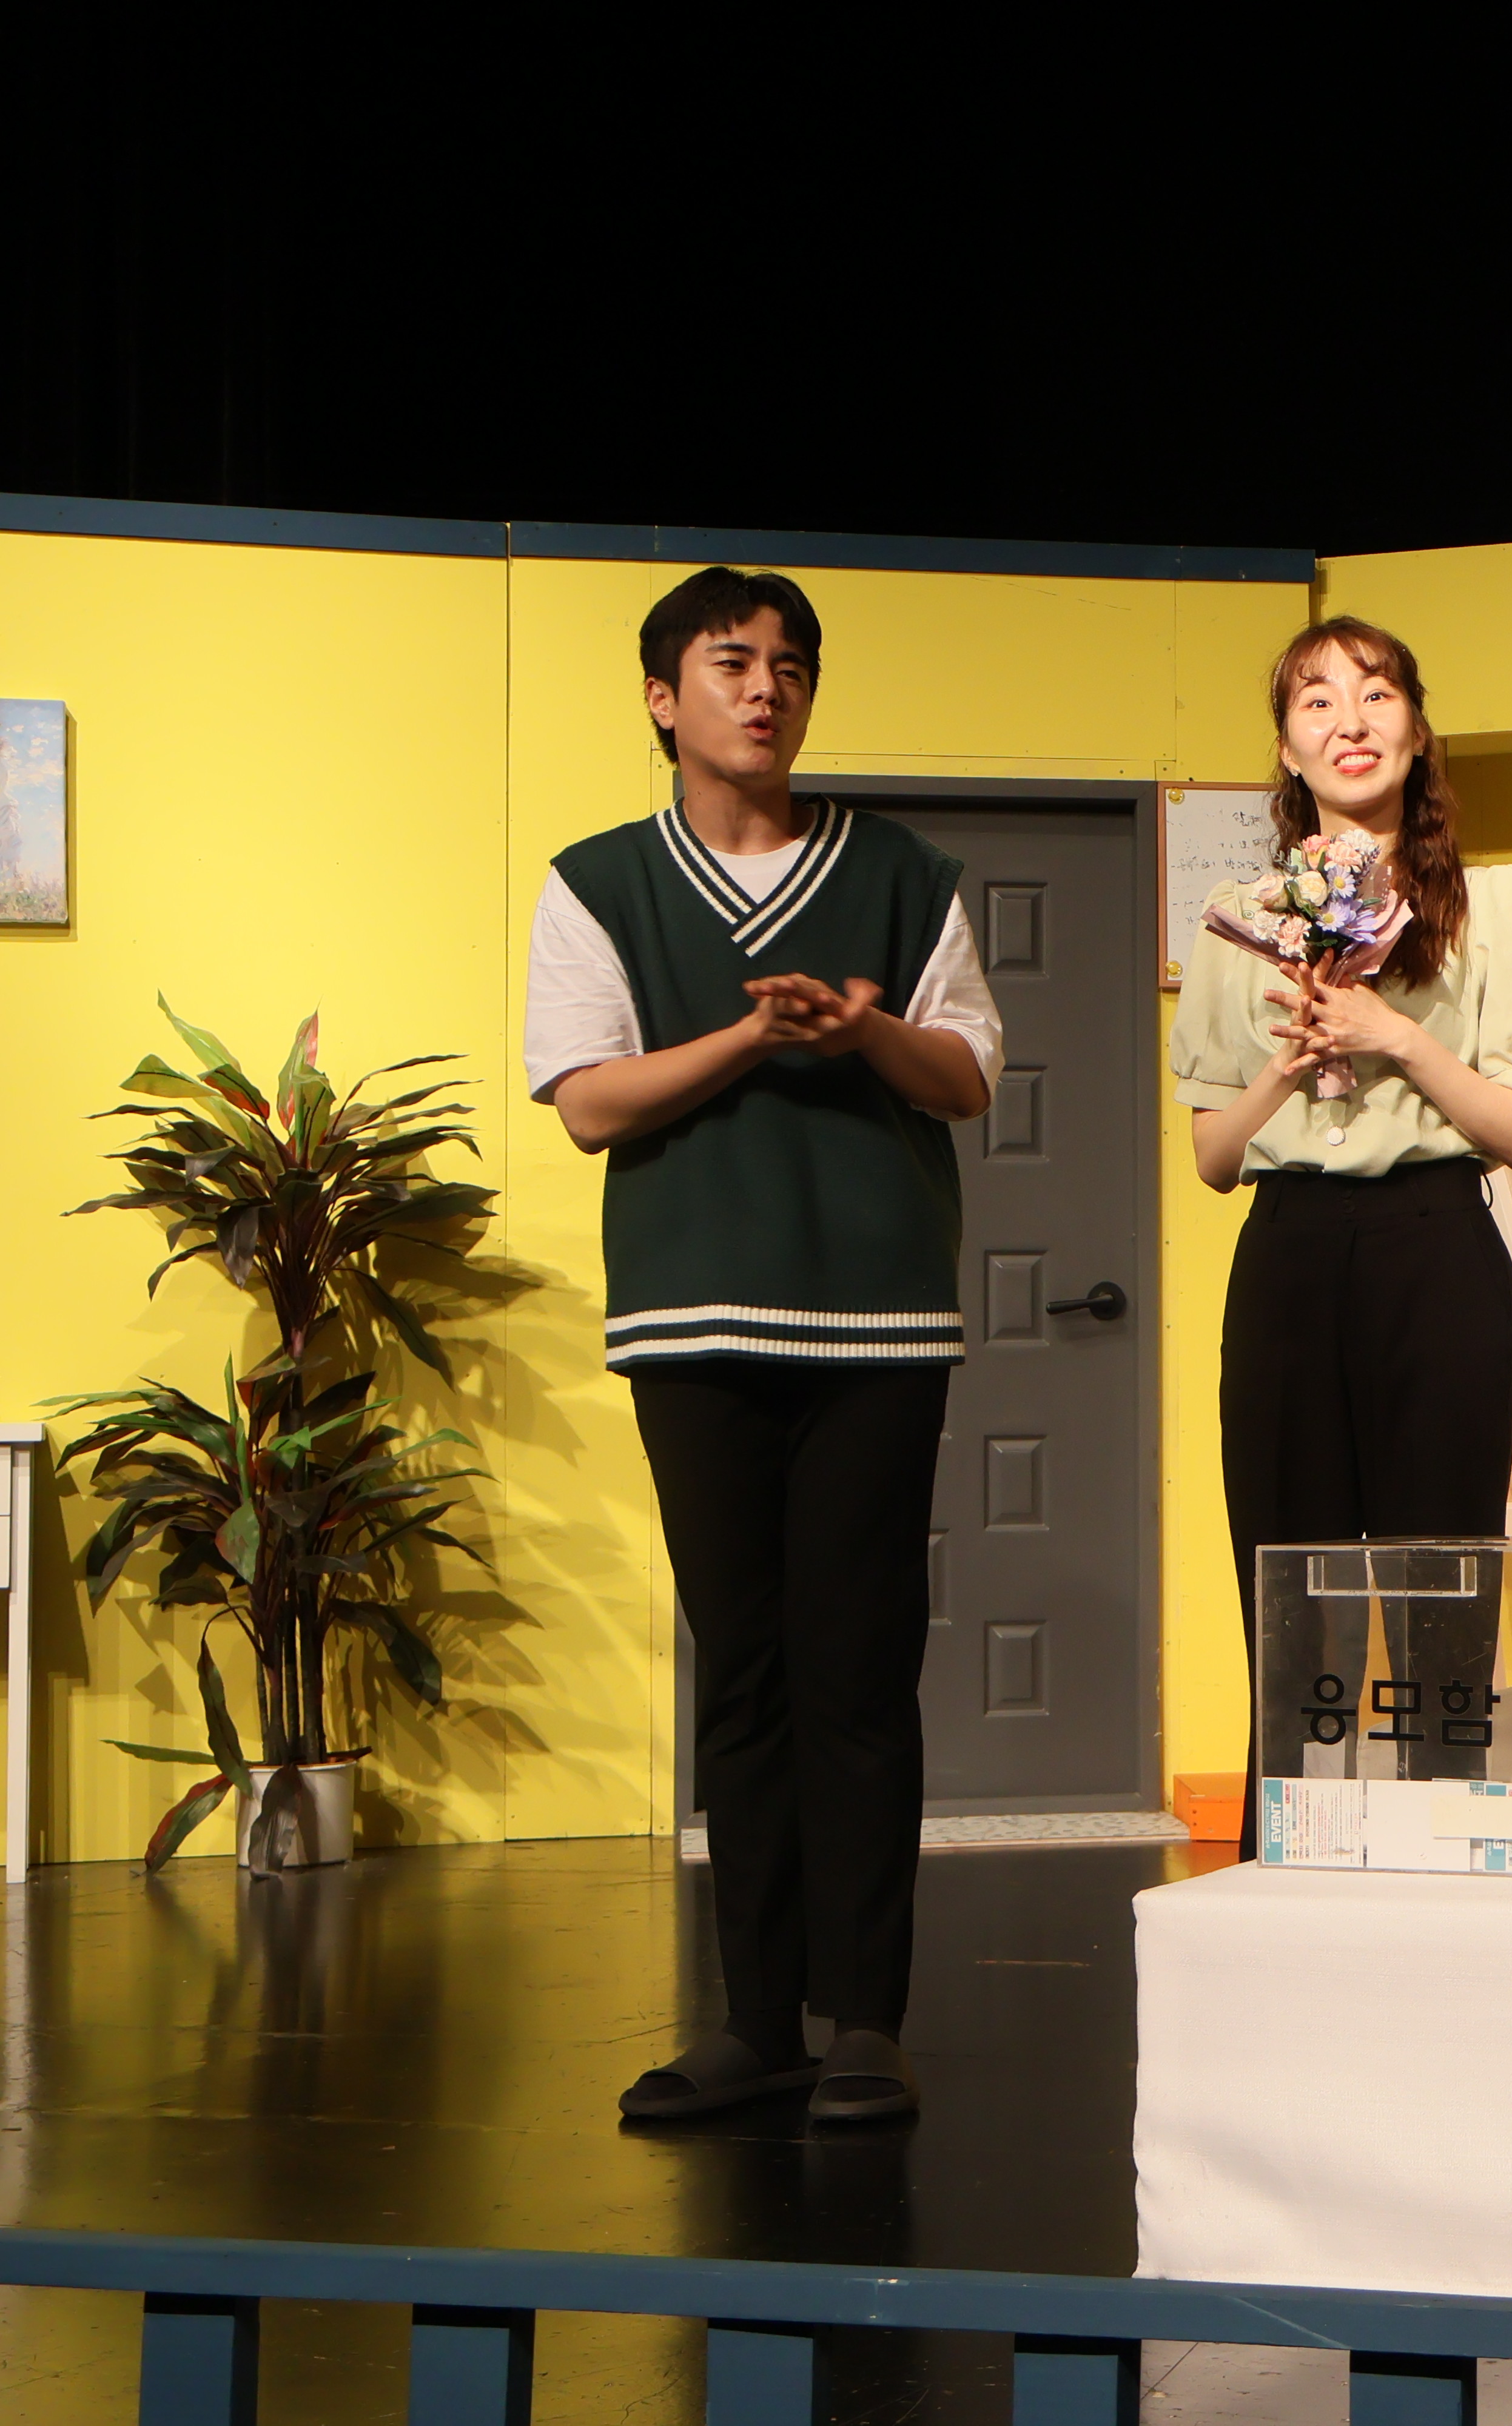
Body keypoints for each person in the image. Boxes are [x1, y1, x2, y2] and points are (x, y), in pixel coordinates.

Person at [526, 567, 1001, 2126]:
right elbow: (587, 1100)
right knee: (740, 1671)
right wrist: (751, 1034)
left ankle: (864, 2017)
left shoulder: (903, 872)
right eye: (731, 662)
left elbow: (968, 1076)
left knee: (858, 1670)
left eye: (790, 665)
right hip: (692, 1316)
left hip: (880, 1320)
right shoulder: (597, 881)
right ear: (663, 697)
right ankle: (755, 2020)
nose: (765, 688)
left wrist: (862, 1030)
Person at [1172, 617, 1512, 1848]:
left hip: (1434, 1245)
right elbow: (1212, 1158)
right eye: (1317, 702)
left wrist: (1395, 1037)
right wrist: (1289, 1064)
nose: (1350, 721)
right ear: (1288, 748)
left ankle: (1445, 1863)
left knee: (1442, 1594)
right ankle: (1287, 1876)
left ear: (1417, 727)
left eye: (1377, 694)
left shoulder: (1495, 903)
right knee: (1292, 1600)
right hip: (1289, 1255)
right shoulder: (1237, 916)